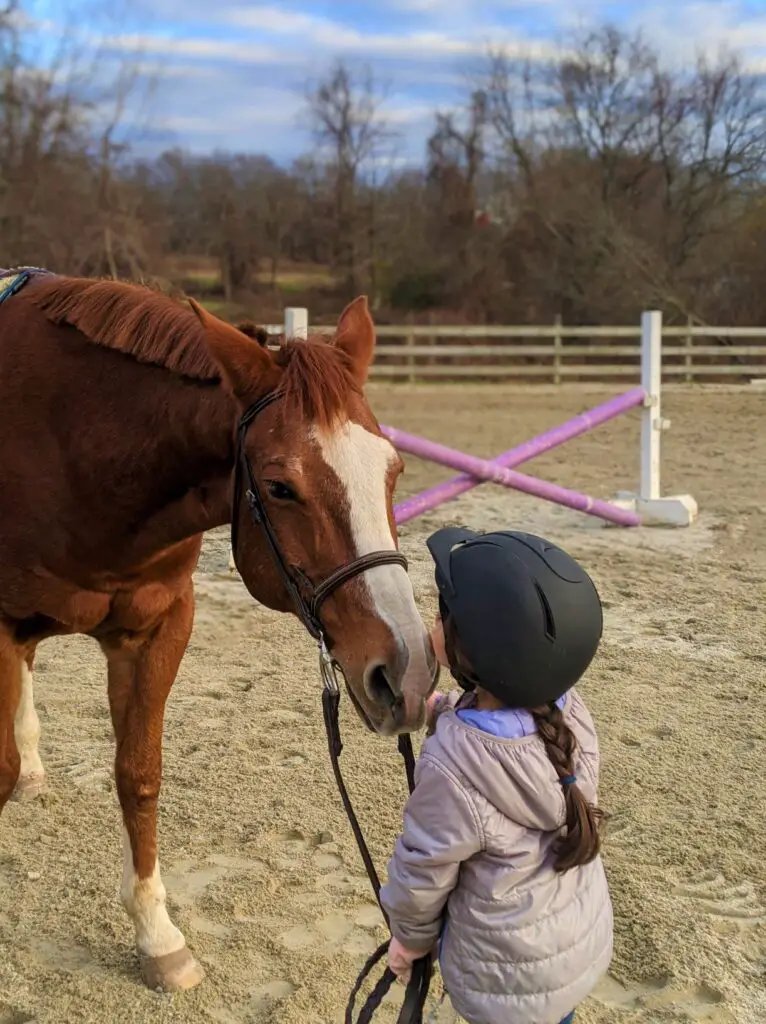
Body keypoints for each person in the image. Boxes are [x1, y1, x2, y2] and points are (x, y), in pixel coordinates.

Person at [379, 527, 613, 1024]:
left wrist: (409, 940)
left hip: (503, 978)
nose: (431, 623)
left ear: (468, 650)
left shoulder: (452, 766)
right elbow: (511, 737)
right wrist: (446, 709)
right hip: (567, 951)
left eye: (442, 616)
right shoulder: (570, 715)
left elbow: (423, 869)